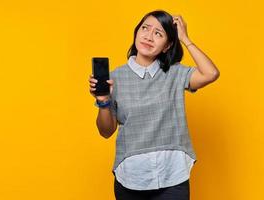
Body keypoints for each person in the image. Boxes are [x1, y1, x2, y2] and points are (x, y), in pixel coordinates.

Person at [88, 9, 220, 200]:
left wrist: (185, 38)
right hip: (131, 177)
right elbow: (106, 131)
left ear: (167, 46)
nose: (149, 36)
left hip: (172, 175)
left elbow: (211, 74)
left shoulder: (175, 73)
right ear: (136, 32)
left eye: (158, 33)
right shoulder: (115, 77)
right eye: (145, 28)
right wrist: (103, 101)